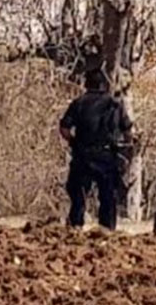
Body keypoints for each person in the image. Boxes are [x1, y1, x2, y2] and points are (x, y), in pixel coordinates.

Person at [59, 69, 133, 230]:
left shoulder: (78, 103)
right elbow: (128, 132)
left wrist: (74, 142)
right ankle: (107, 230)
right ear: (104, 85)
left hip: (82, 155)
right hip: (107, 156)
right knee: (108, 197)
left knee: (78, 196)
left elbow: (64, 129)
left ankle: (75, 228)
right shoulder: (115, 104)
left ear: (87, 84)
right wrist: (125, 152)